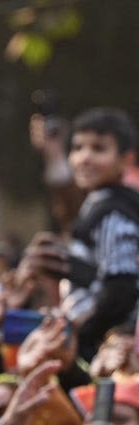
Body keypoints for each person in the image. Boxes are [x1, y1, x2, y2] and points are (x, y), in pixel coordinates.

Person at [61, 107, 139, 356]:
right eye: (78, 148)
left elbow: (121, 289)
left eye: (99, 149)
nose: (85, 158)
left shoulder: (112, 214)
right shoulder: (98, 203)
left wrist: (85, 333)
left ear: (126, 160)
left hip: (109, 346)